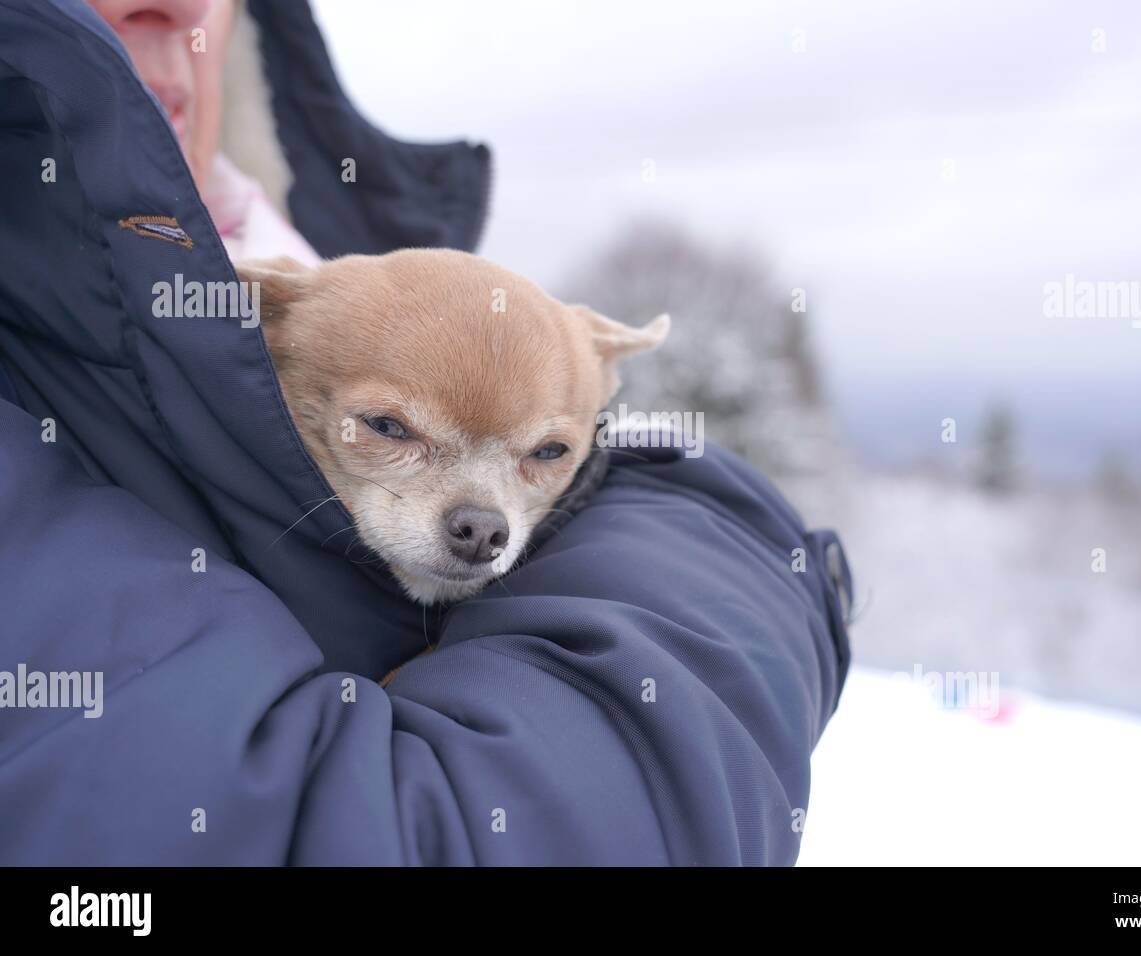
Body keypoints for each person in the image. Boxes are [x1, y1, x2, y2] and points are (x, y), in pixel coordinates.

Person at [0, 0, 851, 865]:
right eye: (390, 428)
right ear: (253, 321)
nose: (482, 523)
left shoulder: (366, 259)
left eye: (545, 454)